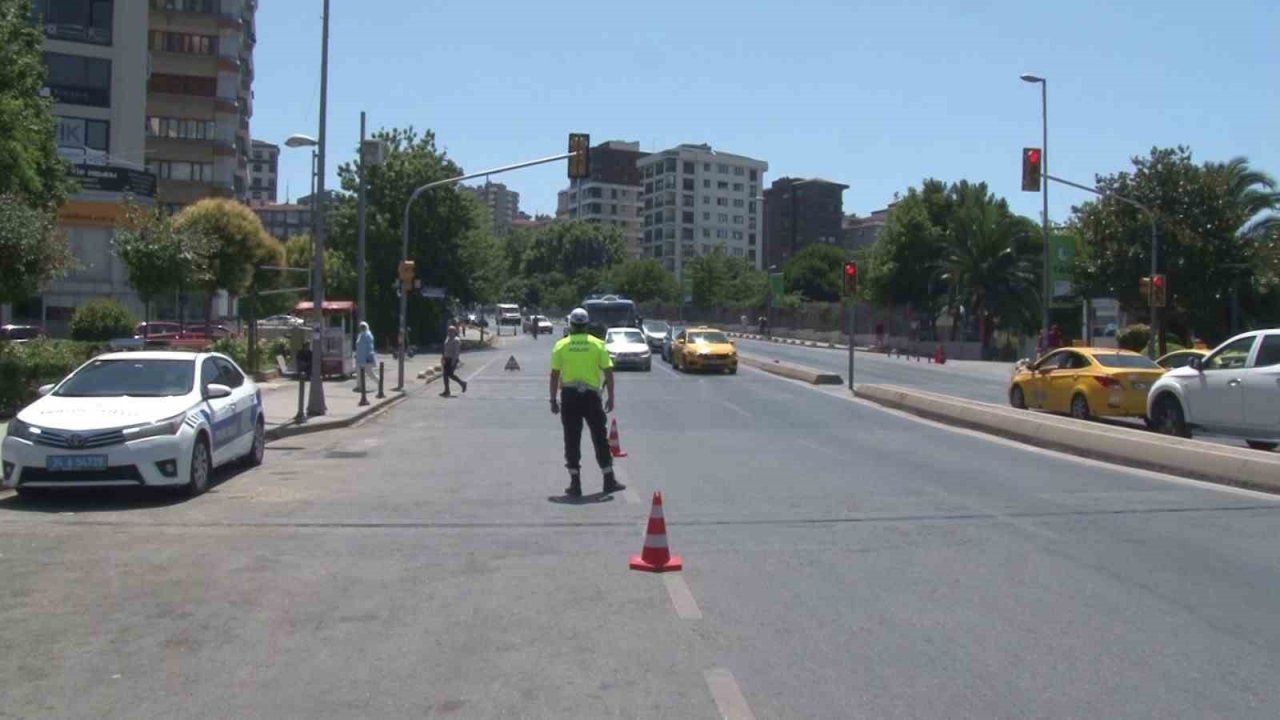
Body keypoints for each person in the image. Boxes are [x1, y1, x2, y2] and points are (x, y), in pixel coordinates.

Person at [550, 307, 625, 498]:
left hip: (569, 396)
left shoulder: (561, 345)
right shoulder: (598, 344)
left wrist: (552, 399)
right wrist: (611, 397)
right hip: (592, 396)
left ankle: (575, 484)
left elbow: (554, 374)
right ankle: (609, 480)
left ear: (571, 325)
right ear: (586, 325)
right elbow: (608, 372)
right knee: (599, 437)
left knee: (572, 439)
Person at [440, 325, 467, 397]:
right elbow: (445, 349)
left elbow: (456, 352)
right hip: (446, 358)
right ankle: (447, 390)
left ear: (455, 332)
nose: (450, 332)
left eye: (451, 331)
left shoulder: (456, 340)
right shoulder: (447, 339)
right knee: (446, 375)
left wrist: (454, 362)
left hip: (452, 359)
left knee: (449, 374)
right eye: (449, 331)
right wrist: (443, 357)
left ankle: (462, 383)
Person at [354, 321, 375, 392]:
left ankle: (379, 382)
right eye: (361, 327)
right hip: (359, 357)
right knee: (358, 373)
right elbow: (358, 346)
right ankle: (359, 386)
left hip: (366, 358)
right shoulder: (360, 335)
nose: (362, 328)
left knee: (370, 373)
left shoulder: (368, 335)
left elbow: (370, 347)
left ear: (366, 327)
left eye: (363, 327)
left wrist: (370, 355)